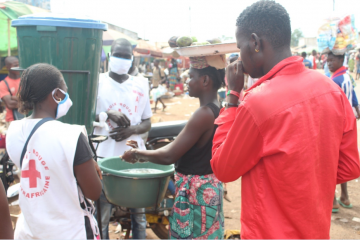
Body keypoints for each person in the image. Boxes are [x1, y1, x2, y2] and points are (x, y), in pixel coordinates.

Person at [210, 1, 360, 239]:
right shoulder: (332, 90)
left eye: (240, 47)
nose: (239, 56)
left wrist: (232, 98)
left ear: (255, 43)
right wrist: (302, 179)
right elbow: (350, 166)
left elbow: (223, 168)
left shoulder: (257, 103)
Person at [122, 54, 226, 239]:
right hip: (207, 190)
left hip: (196, 195)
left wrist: (137, 154)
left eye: (191, 76)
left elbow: (169, 156)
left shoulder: (203, 114)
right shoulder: (217, 107)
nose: (187, 81)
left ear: (205, 80)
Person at [6, 63, 102, 239]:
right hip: (69, 232)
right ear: (57, 94)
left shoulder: (13, 131)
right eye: (65, 90)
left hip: (30, 231)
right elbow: (94, 192)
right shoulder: (71, 135)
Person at [94, 38, 152, 240]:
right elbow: (84, 116)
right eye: (117, 54)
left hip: (134, 157)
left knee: (138, 213)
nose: (121, 59)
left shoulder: (141, 84)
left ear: (132, 59)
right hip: (103, 157)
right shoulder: (97, 82)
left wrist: (131, 130)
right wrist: (107, 114)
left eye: (126, 56)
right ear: (110, 56)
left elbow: (147, 122)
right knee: (102, 214)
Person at [326, 51, 360, 212]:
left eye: (332, 60)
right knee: (342, 158)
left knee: (331, 160)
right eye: (327, 60)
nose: (328, 63)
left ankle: (332, 200)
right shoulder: (348, 77)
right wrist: (357, 110)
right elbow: (353, 96)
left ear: (341, 60)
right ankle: (345, 196)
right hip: (348, 125)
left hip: (336, 125)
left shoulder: (335, 80)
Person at [0, 56, 21, 124]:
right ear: (7, 67)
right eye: (15, 65)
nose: (18, 67)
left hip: (28, 118)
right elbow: (10, 104)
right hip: (12, 120)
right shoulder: (3, 84)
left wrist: (14, 97)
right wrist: (26, 101)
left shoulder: (25, 80)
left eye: (19, 64)